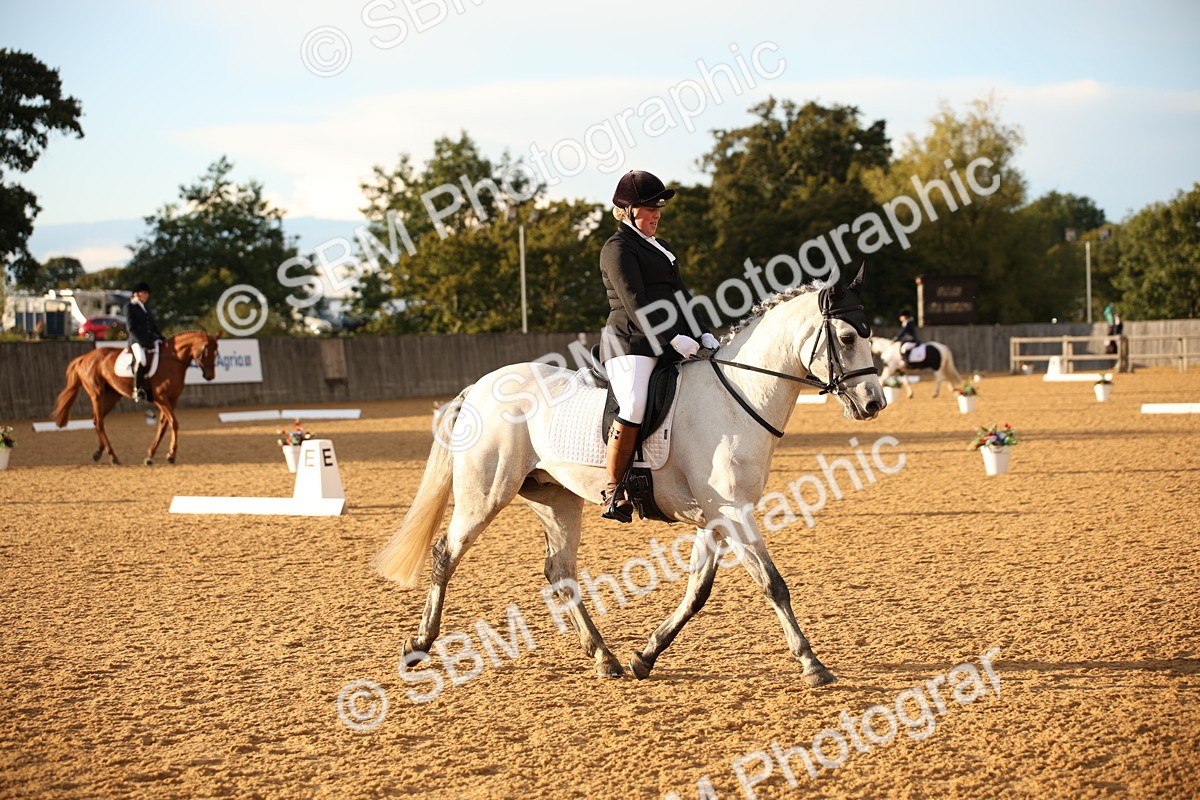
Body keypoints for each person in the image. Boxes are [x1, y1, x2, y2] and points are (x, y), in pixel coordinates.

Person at [598, 170, 719, 522]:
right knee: (634, 404)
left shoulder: (662, 248)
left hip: (670, 339)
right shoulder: (617, 248)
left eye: (659, 209)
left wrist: (702, 332)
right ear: (629, 210)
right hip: (631, 342)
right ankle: (613, 487)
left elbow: (681, 296)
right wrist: (671, 338)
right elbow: (635, 301)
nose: (657, 215)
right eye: (651, 209)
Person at [123, 281, 164, 403]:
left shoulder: (145, 308)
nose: (147, 295)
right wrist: (141, 342)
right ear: (137, 294)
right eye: (144, 293)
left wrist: (161, 337)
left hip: (149, 340)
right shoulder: (130, 307)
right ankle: (137, 389)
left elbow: (153, 325)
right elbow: (131, 328)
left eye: (147, 293)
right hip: (136, 341)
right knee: (142, 359)